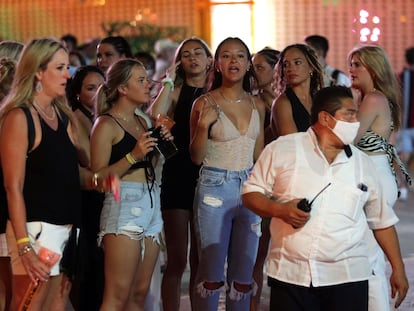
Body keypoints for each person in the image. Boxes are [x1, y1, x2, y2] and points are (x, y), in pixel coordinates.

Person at [242, 86, 409, 311]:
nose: (356, 120)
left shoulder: (362, 163)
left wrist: (398, 268)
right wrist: (279, 210)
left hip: (348, 277)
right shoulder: (282, 149)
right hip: (291, 275)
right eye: (349, 114)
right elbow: (250, 193)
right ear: (326, 118)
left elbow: (382, 221)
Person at [0, 37, 116, 311]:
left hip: (67, 228)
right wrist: (24, 246)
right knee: (29, 305)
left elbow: (69, 173)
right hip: (37, 229)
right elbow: (12, 187)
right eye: (60, 68)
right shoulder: (19, 117)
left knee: (57, 304)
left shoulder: (62, 115)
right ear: (38, 71)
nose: (68, 74)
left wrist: (99, 180)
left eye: (67, 67)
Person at [189, 37, 265, 311]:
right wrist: (201, 126)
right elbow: (196, 157)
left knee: (244, 275)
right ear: (217, 64)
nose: (234, 61)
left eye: (240, 56)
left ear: (248, 64)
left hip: (250, 187)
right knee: (210, 274)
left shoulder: (258, 104)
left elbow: (260, 156)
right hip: (214, 187)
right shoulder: (204, 103)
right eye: (227, 56)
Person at [90, 58, 172, 310]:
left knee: (139, 293)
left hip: (150, 202)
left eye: (147, 79)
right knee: (117, 296)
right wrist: (133, 155)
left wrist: (162, 143)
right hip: (123, 204)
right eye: (141, 80)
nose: (148, 84)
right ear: (122, 89)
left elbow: (150, 163)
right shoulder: (105, 124)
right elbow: (97, 179)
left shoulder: (143, 121)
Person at [148, 36, 213, 311]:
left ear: (210, 60)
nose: (192, 58)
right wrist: (169, 80)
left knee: (201, 258)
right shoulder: (175, 91)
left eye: (198, 53)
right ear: (178, 62)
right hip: (177, 174)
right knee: (177, 259)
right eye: (185, 55)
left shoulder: (216, 92)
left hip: (209, 175)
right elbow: (155, 114)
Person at [349, 45, 412, 311]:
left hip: (372, 175)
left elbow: (348, 139)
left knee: (370, 255)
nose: (350, 70)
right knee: (369, 254)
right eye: (350, 64)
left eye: (357, 65)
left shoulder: (373, 99)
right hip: (376, 174)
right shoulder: (376, 97)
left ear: (373, 68)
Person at [66, 64, 106, 310]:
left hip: (106, 198)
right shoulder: (73, 118)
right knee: (90, 269)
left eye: (102, 87)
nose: (98, 93)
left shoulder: (105, 117)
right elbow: (91, 162)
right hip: (85, 202)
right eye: (91, 88)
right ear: (78, 93)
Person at [250, 46, 279, 311]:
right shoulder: (254, 103)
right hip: (261, 180)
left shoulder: (291, 101)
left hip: (287, 181)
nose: (254, 71)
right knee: (255, 255)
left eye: (260, 67)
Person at [271, 43, 324, 138]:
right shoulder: (282, 103)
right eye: (286, 64)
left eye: (297, 62)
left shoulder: (319, 100)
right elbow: (292, 144)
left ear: (311, 68)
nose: (290, 68)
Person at [396, 46, 414, 200]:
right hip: (407, 123)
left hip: (406, 123)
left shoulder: (402, 76)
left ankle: (403, 186)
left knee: (405, 155)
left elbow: (398, 99)